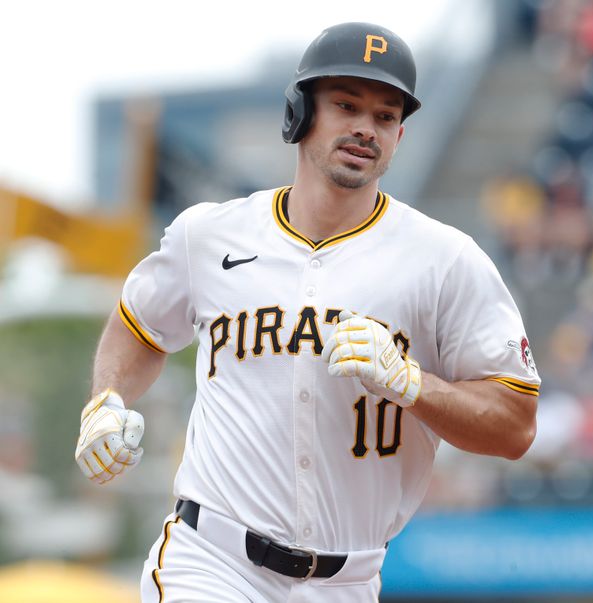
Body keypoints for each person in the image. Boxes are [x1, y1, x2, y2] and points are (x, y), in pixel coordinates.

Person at [74, 22, 540, 603]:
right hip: (213, 560)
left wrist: (413, 384)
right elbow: (138, 324)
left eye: (386, 116)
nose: (366, 128)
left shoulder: (445, 260)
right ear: (300, 112)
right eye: (346, 105)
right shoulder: (210, 235)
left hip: (348, 580)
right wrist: (106, 400)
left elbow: (516, 424)